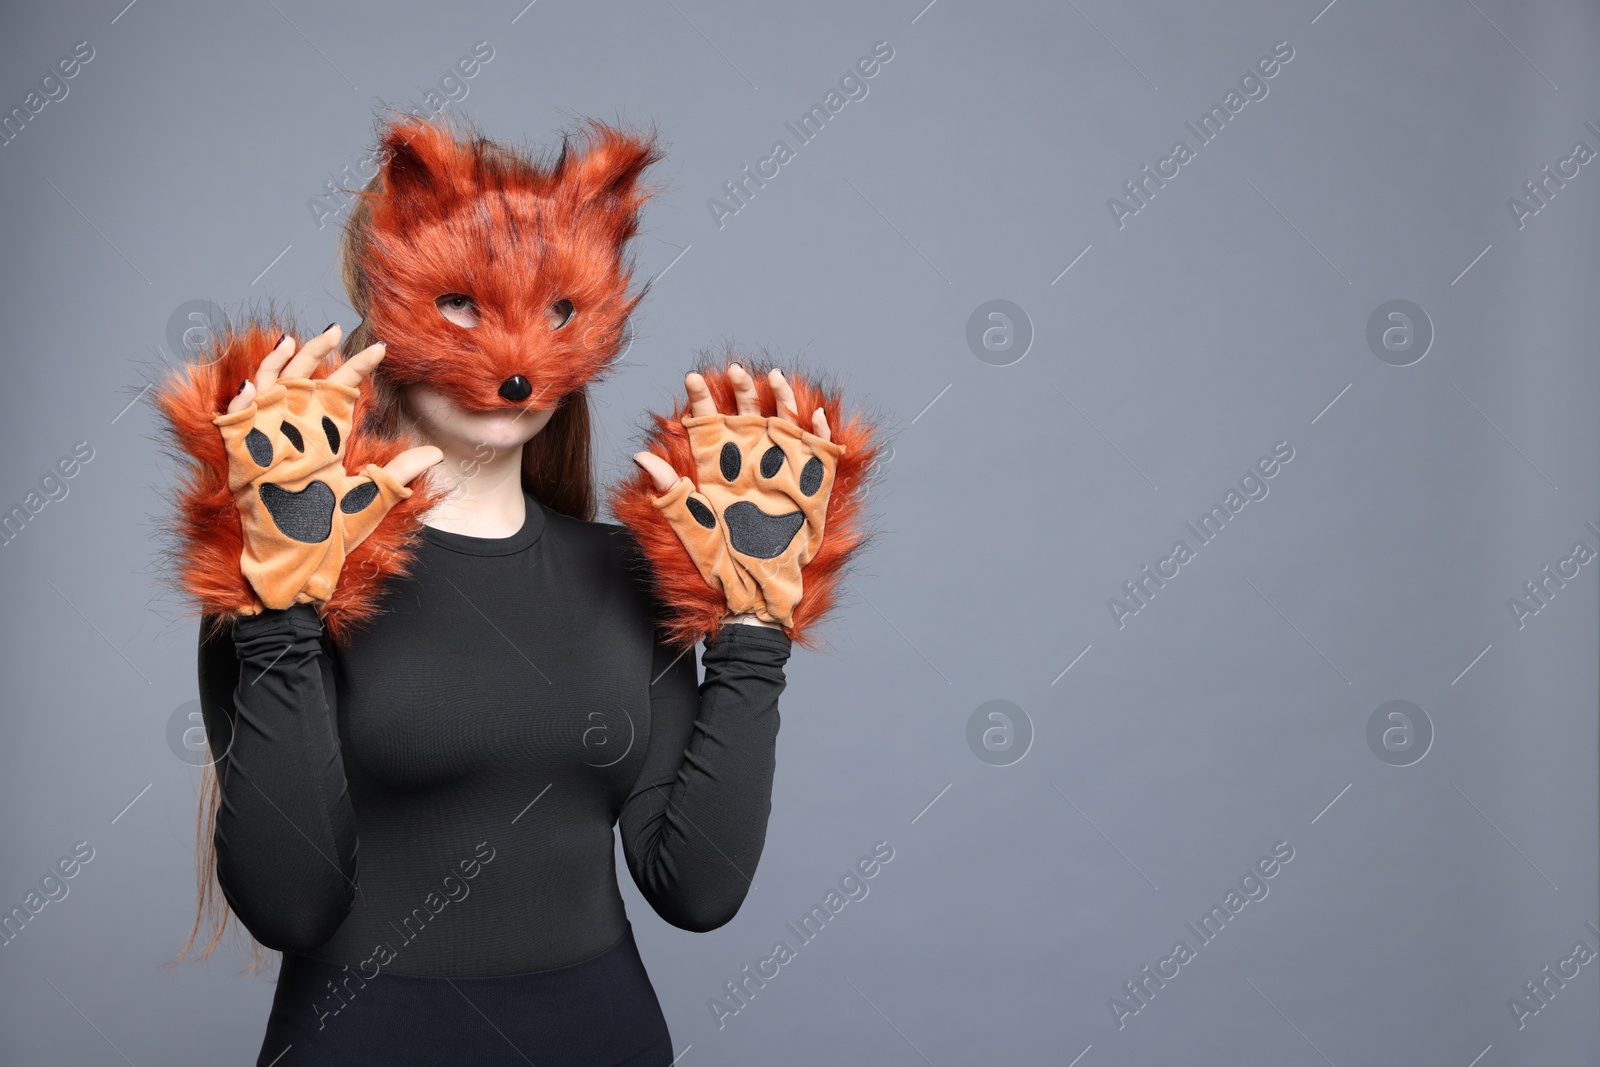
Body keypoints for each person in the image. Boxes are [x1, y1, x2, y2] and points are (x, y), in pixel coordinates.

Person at [153, 114, 877, 1066]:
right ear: (385, 301)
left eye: (555, 310)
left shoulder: (631, 575)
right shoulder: (280, 578)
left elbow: (697, 890)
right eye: (463, 303)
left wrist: (753, 630)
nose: (513, 360)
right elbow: (293, 903)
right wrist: (281, 616)